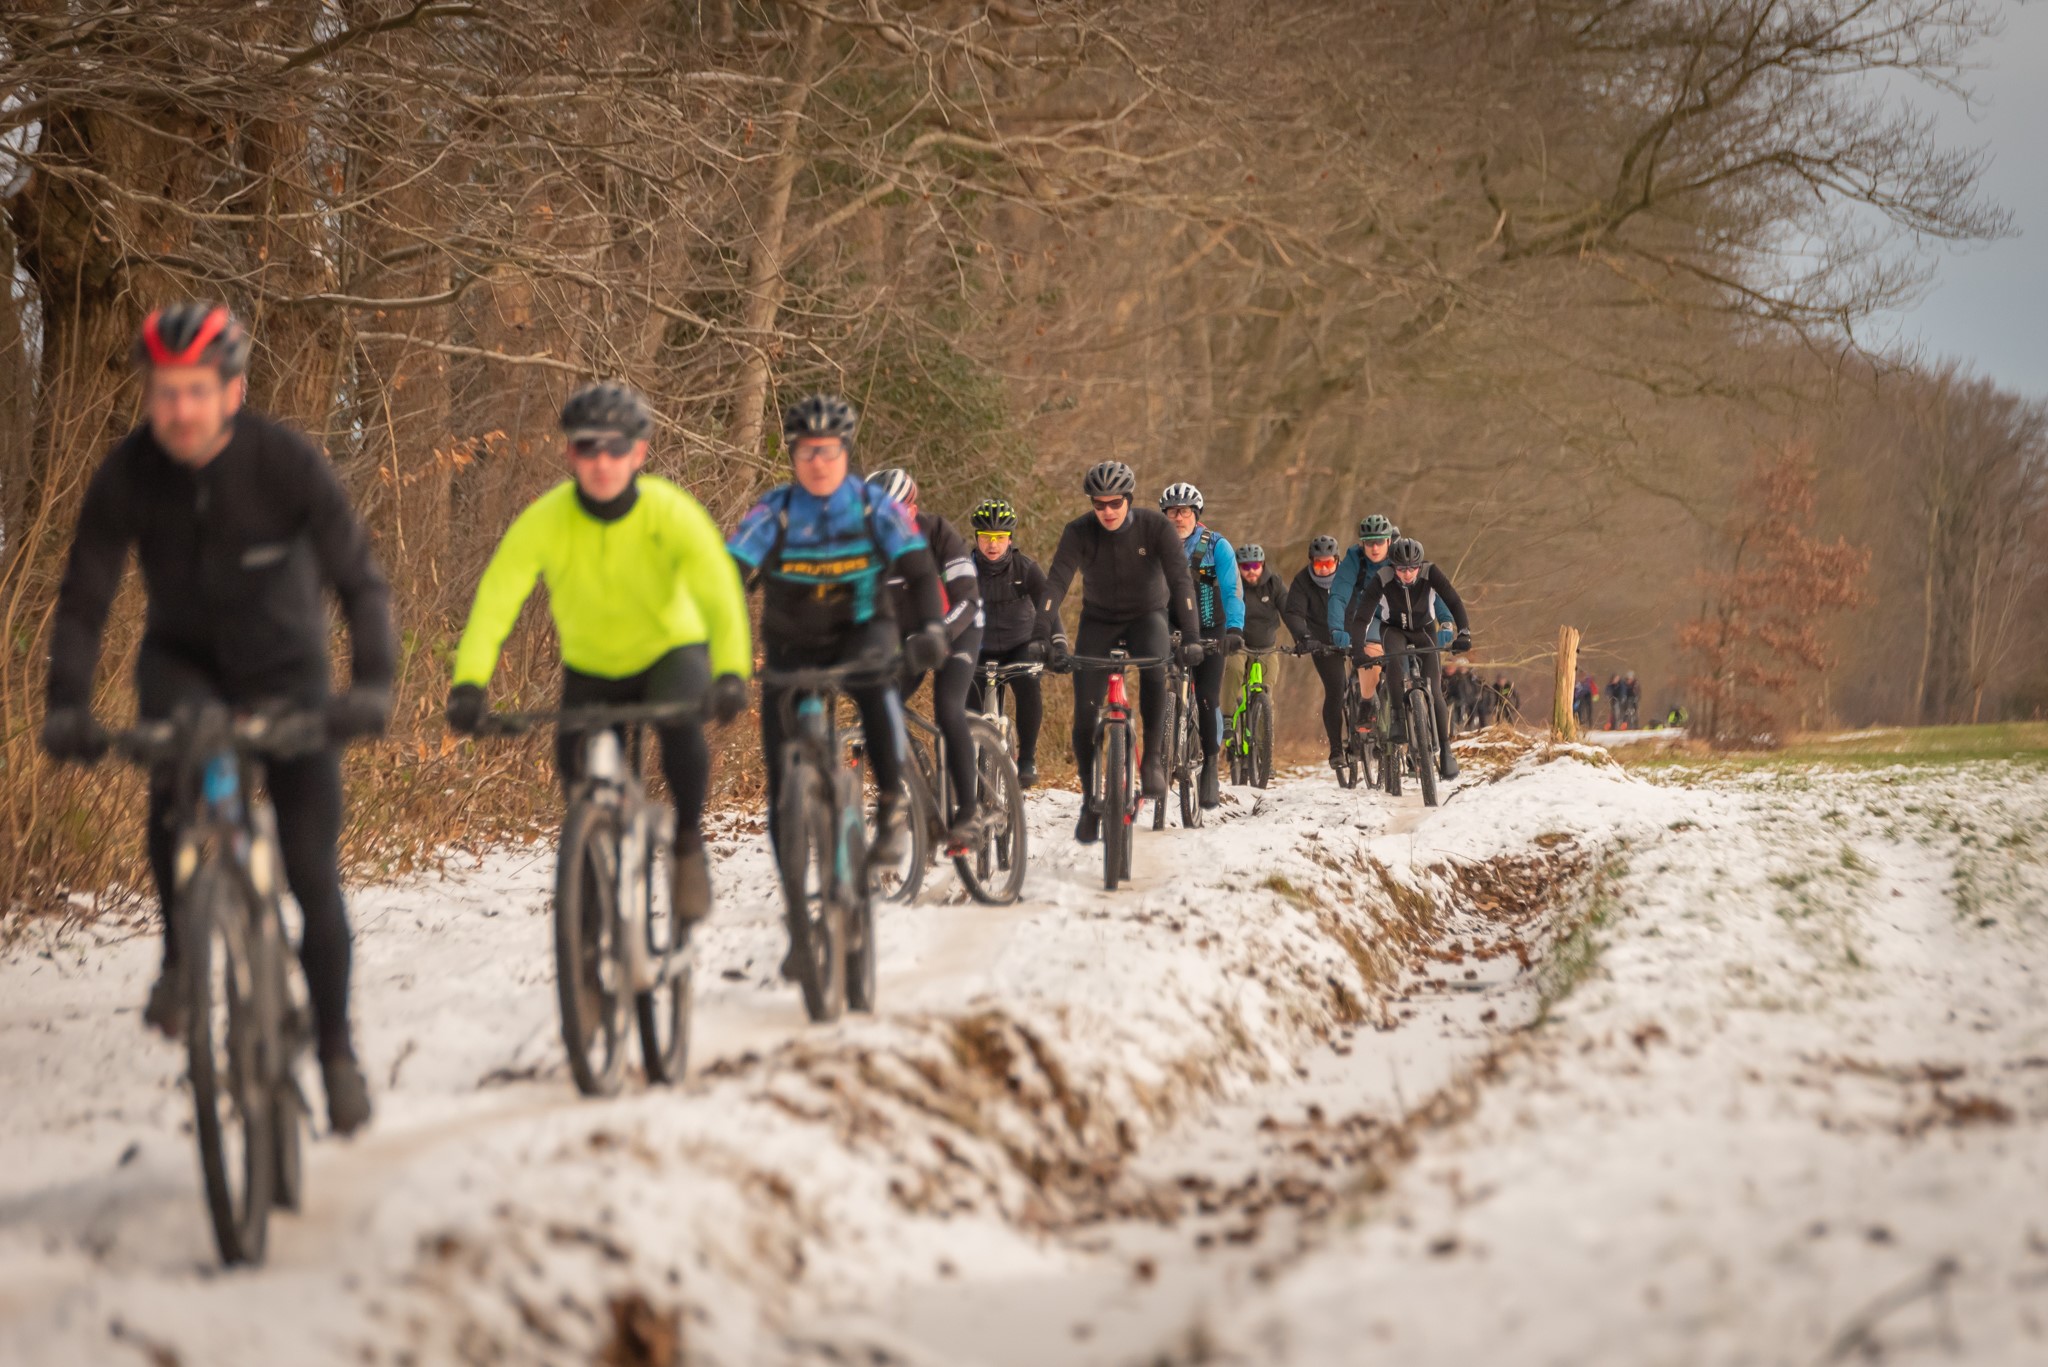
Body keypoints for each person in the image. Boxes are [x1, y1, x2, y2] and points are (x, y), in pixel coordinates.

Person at [41, 302, 393, 1135]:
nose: (180, 410)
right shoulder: (129, 471)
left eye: (197, 391)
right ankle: (178, 959)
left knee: (312, 874)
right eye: (165, 392)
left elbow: (360, 580)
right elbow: (86, 594)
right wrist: (67, 702)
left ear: (232, 391)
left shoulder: (285, 463)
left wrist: (372, 683)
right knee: (175, 785)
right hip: (183, 664)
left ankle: (337, 1051)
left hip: (289, 674)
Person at [444, 382, 752, 927]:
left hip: (668, 653)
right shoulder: (546, 519)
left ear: (640, 453)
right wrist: (469, 683)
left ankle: (686, 844)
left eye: (616, 448)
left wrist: (729, 671)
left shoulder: (670, 512)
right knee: (571, 760)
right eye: (588, 447)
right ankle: (594, 863)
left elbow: (720, 593)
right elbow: (497, 598)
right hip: (590, 667)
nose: (602, 461)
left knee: (681, 732)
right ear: (570, 454)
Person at [727, 395, 948, 887]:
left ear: (846, 452)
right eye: (807, 452)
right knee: (781, 785)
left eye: (828, 450)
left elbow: (918, 570)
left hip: (861, 634)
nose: (818, 462)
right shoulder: (775, 511)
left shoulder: (875, 508)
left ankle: (891, 804)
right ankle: (797, 921)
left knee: (876, 690)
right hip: (790, 647)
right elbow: (728, 573)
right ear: (792, 457)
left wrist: (933, 628)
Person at [1042, 461, 1203, 843]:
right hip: (1098, 621)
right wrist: (1042, 637)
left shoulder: (1155, 527)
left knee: (1154, 672)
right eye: (1099, 505)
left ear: (1128, 500)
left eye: (1115, 503)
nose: (1108, 512)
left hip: (1147, 616)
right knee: (1084, 716)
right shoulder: (1078, 532)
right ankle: (1088, 801)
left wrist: (1193, 636)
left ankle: (1151, 764)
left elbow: (1180, 579)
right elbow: (1055, 584)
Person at [870, 468, 984, 850]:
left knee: (948, 709)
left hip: (959, 626)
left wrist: (941, 634)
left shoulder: (938, 533)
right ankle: (912, 791)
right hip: (906, 639)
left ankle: (969, 812)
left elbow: (968, 597)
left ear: (913, 509)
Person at [1342, 537, 1472, 779]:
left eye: (1413, 568)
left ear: (1419, 565)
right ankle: (1399, 720)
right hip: (1393, 630)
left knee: (1434, 690)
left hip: (1424, 630)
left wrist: (1464, 632)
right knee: (1393, 663)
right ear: (1393, 566)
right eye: (1402, 569)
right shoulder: (1383, 577)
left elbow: (1453, 600)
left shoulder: (1430, 572)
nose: (1408, 574)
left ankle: (1445, 751)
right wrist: (1358, 650)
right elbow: (1362, 617)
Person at [1158, 483, 1243, 808]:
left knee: (1207, 697)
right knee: (1155, 687)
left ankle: (1209, 764)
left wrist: (1234, 629)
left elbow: (1233, 589)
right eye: (1172, 512)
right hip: (1168, 625)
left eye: (1184, 512)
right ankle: (1157, 756)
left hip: (1211, 626)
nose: (1178, 518)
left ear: (1196, 515)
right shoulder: (1153, 547)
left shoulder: (1216, 546)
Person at [965, 498, 1050, 787]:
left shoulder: (1025, 569)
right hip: (977, 647)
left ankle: (1026, 757)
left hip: (1019, 645)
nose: (992, 545)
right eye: (986, 538)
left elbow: (1048, 607)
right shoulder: (963, 570)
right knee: (968, 715)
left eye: (999, 538)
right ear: (976, 538)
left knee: (1028, 685)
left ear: (1010, 540)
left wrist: (1055, 642)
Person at [1283, 534, 1349, 767]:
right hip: (1321, 640)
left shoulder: (1350, 575)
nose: (1323, 568)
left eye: (1328, 563)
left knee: (1372, 674)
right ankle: (1337, 749)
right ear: (1311, 562)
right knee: (1336, 689)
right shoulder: (1302, 581)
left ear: (1337, 561)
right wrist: (1305, 637)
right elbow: (1294, 613)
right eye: (1318, 563)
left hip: (1352, 632)